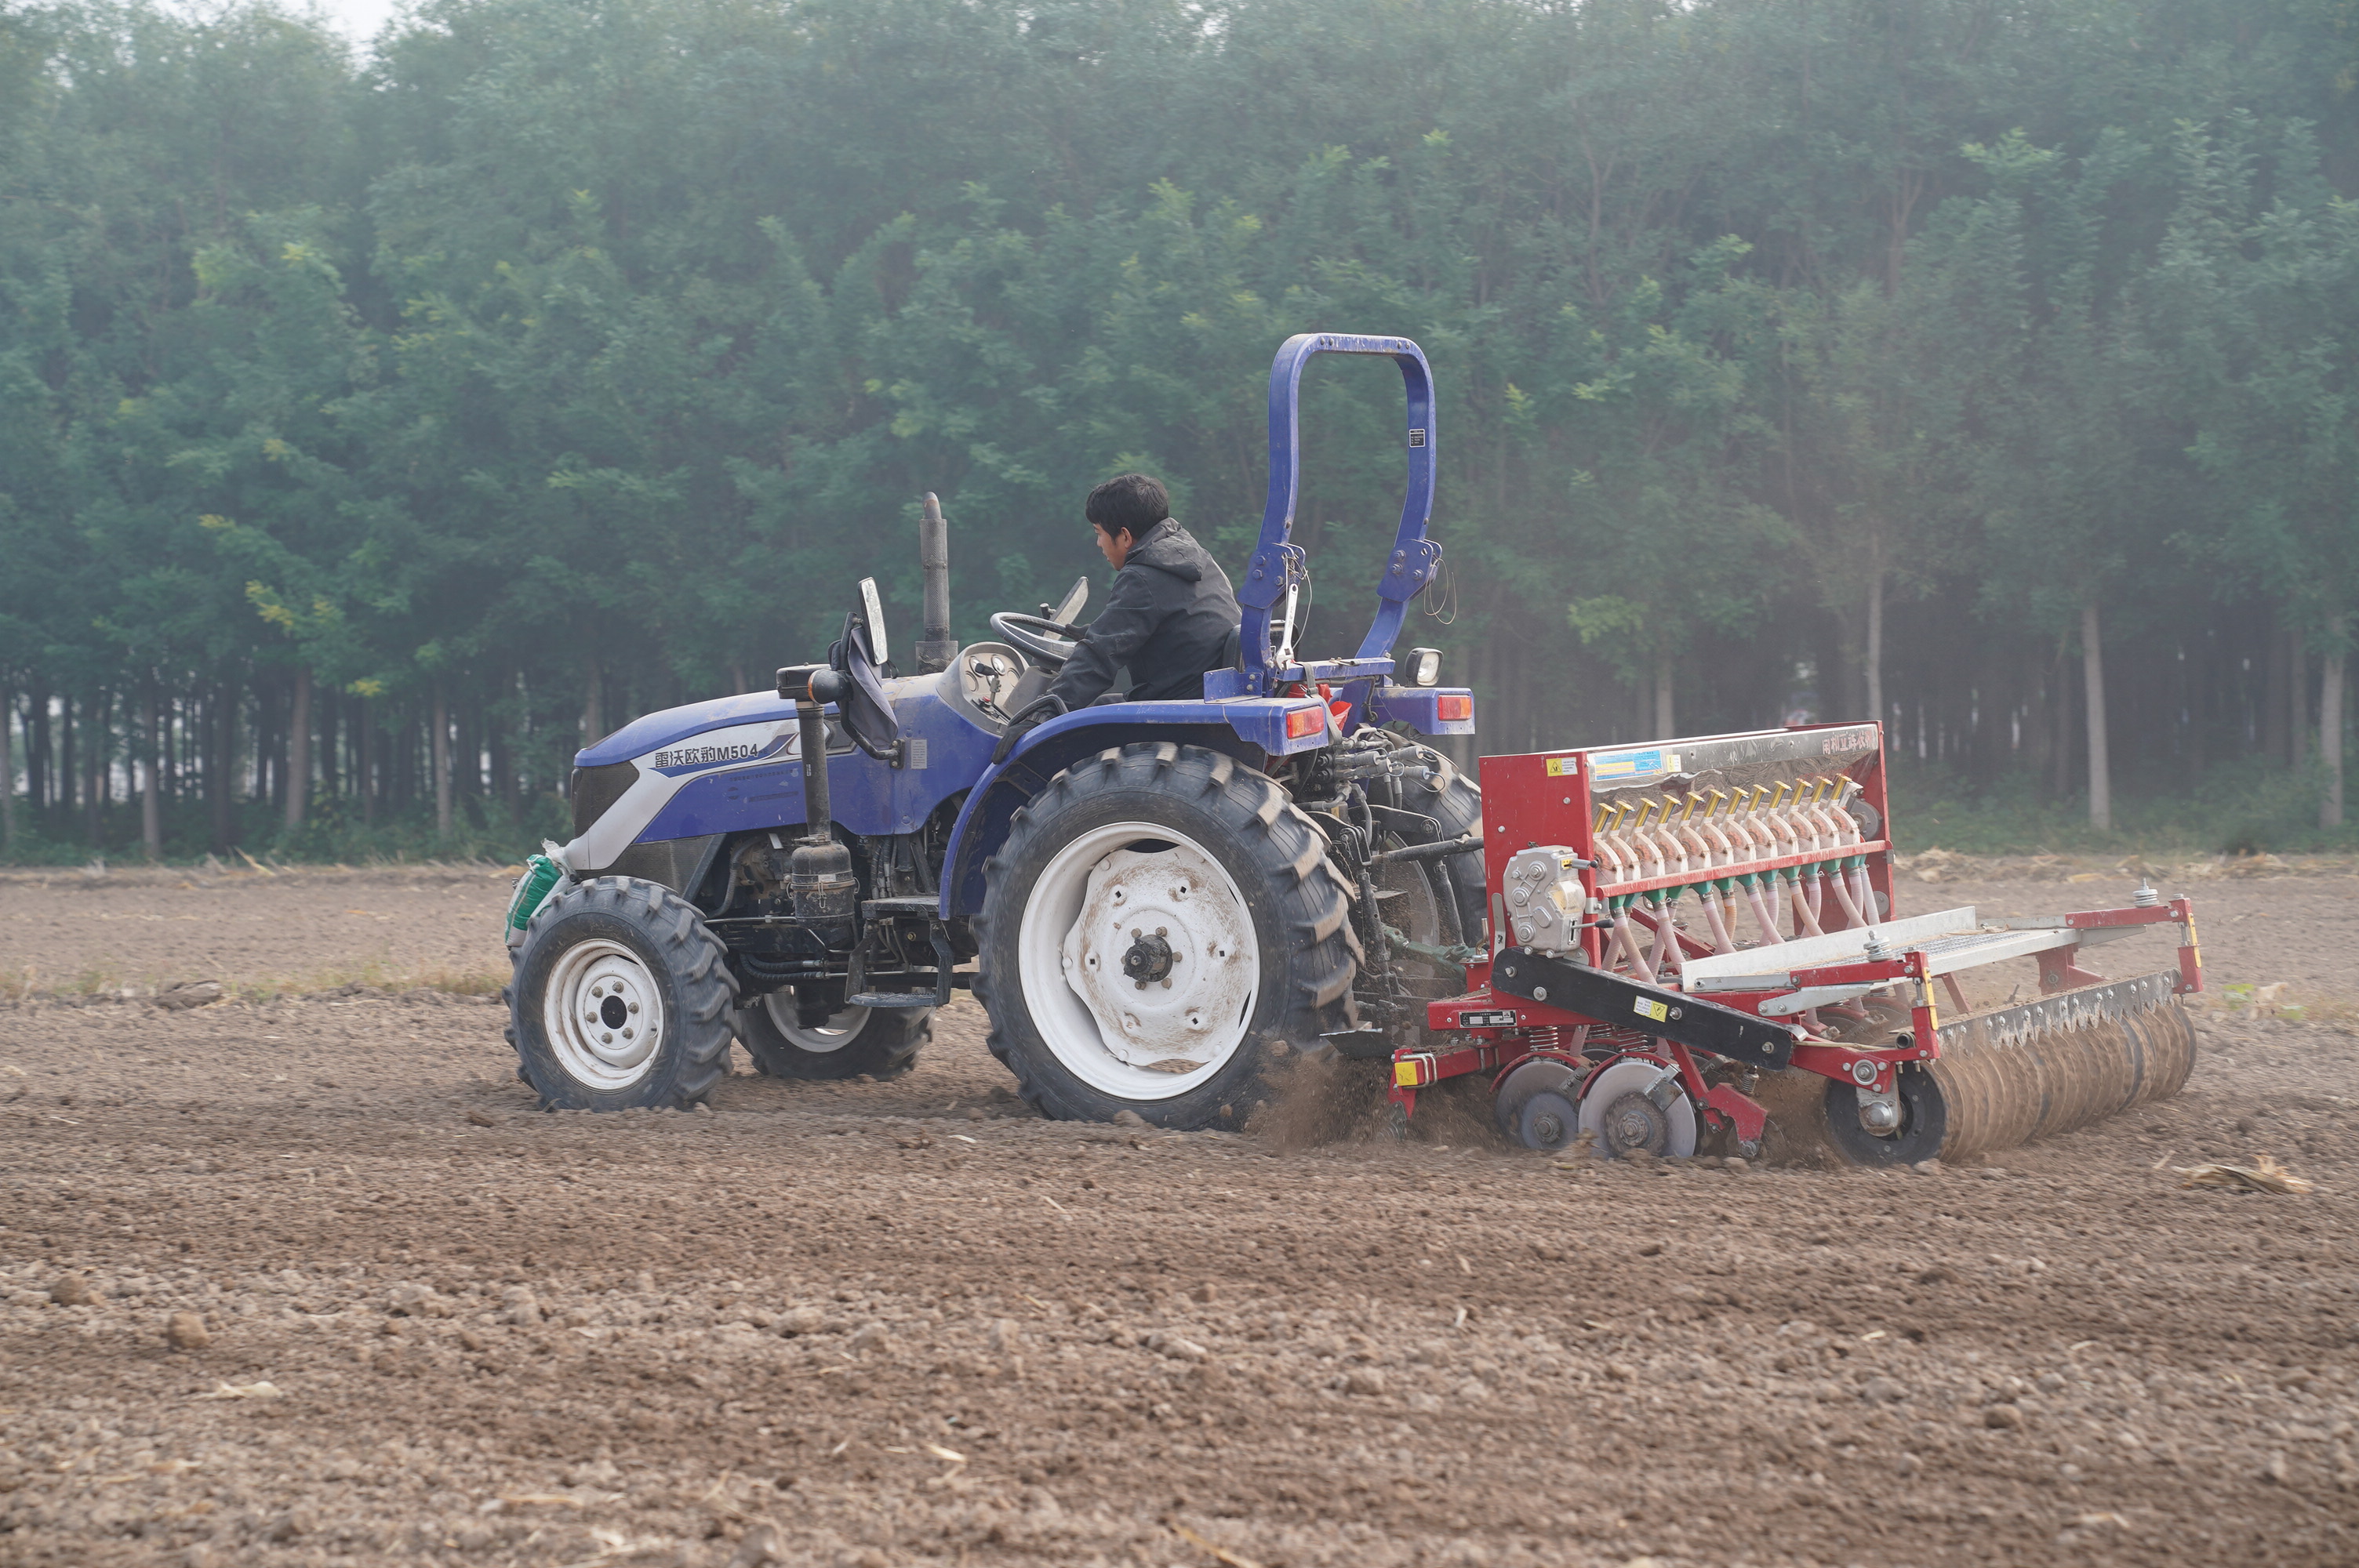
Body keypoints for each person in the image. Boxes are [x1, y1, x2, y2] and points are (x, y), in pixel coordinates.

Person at [1041, 474, 1241, 710]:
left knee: (1064, 728)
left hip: (1177, 710)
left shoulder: (1144, 575)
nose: (1098, 544)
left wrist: (1041, 713)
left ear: (1125, 536)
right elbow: (1171, 626)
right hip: (1205, 698)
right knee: (1102, 705)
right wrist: (1096, 632)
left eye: (1099, 533)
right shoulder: (1197, 560)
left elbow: (1097, 659)